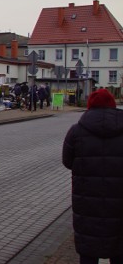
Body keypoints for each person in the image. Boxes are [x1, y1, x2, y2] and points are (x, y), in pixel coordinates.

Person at [62, 89, 123, 264]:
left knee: (88, 252)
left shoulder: (76, 131)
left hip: (87, 201)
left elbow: (67, 162)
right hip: (119, 203)